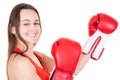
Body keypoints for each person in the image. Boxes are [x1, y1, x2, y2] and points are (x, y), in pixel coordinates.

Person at [6, 2, 118, 80]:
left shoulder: (37, 56)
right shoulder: (20, 63)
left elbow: (73, 69)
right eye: (26, 24)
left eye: (36, 23)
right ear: (13, 29)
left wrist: (97, 36)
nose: (33, 29)